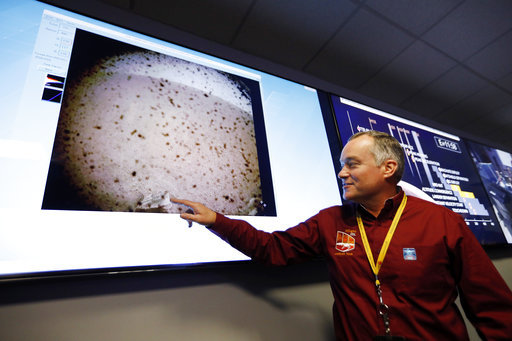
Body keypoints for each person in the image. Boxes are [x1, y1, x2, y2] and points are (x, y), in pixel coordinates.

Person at [172, 130, 512, 341]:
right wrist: (216, 220)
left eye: (352, 164)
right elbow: (271, 249)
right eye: (341, 164)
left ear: (388, 169)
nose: (341, 173)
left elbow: (491, 306)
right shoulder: (330, 222)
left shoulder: (443, 222)